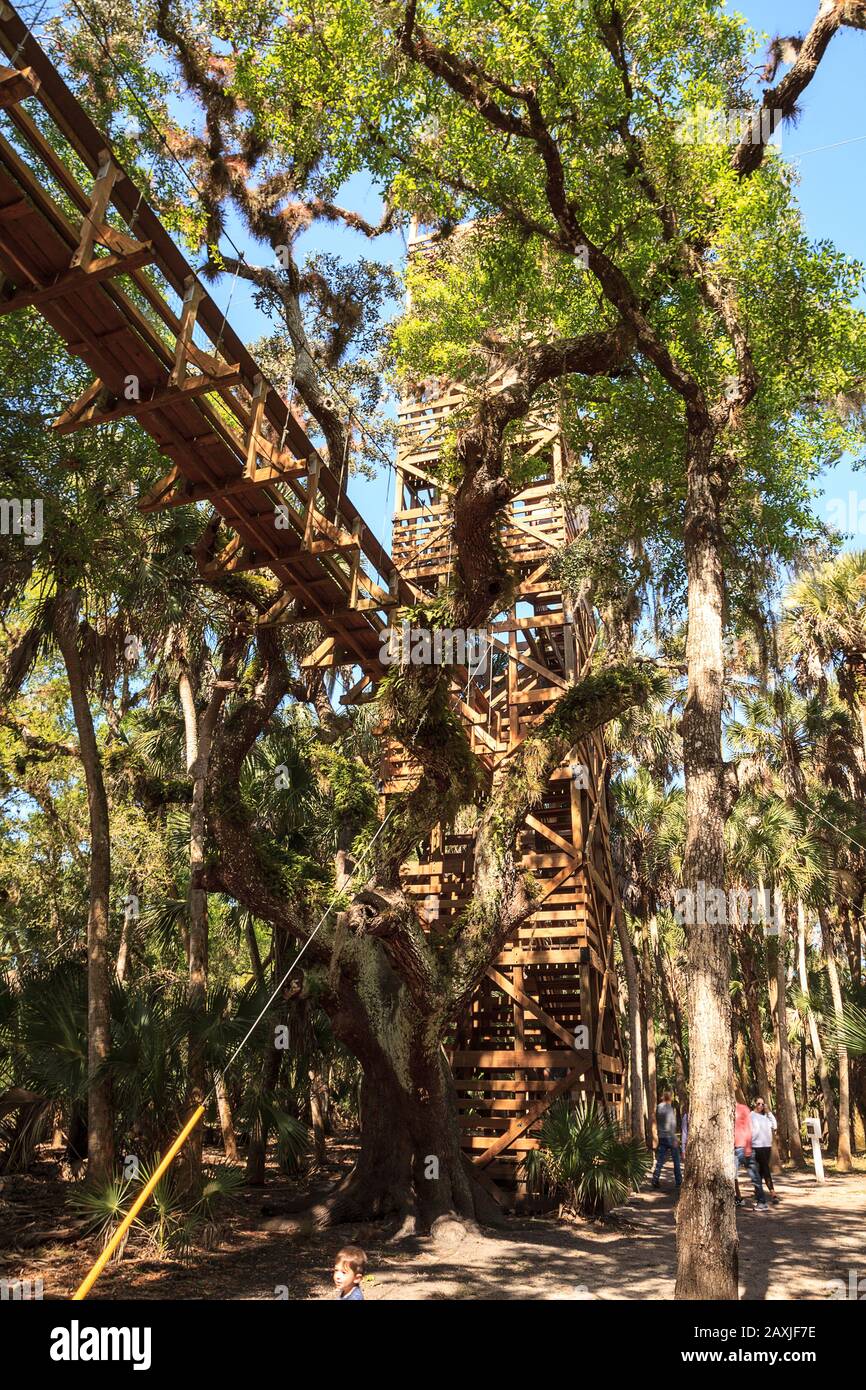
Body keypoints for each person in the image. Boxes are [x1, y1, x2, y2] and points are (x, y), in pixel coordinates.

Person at [734, 1097, 768, 1211]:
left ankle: (762, 1202)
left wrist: (748, 1147)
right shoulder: (723, 1110)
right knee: (730, 1176)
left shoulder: (743, 1109)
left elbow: (749, 1128)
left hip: (743, 1148)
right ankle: (735, 1199)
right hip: (730, 1149)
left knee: (754, 1176)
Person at [750, 1098, 780, 1204]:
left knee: (761, 1170)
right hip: (756, 1146)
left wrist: (769, 1112)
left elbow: (775, 1125)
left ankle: (757, 1191)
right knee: (765, 1168)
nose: (760, 1106)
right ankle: (773, 1193)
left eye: (763, 1104)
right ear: (754, 1104)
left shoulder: (766, 1117)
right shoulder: (751, 1115)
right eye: (758, 1103)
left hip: (767, 1146)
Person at [651, 1090, 682, 1190]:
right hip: (670, 1137)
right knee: (676, 1160)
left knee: (660, 1159)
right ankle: (679, 1181)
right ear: (670, 1098)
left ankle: (655, 1179)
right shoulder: (669, 1108)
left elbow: (656, 1120)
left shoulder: (659, 1107)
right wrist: (675, 1138)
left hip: (662, 1136)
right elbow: (672, 1124)